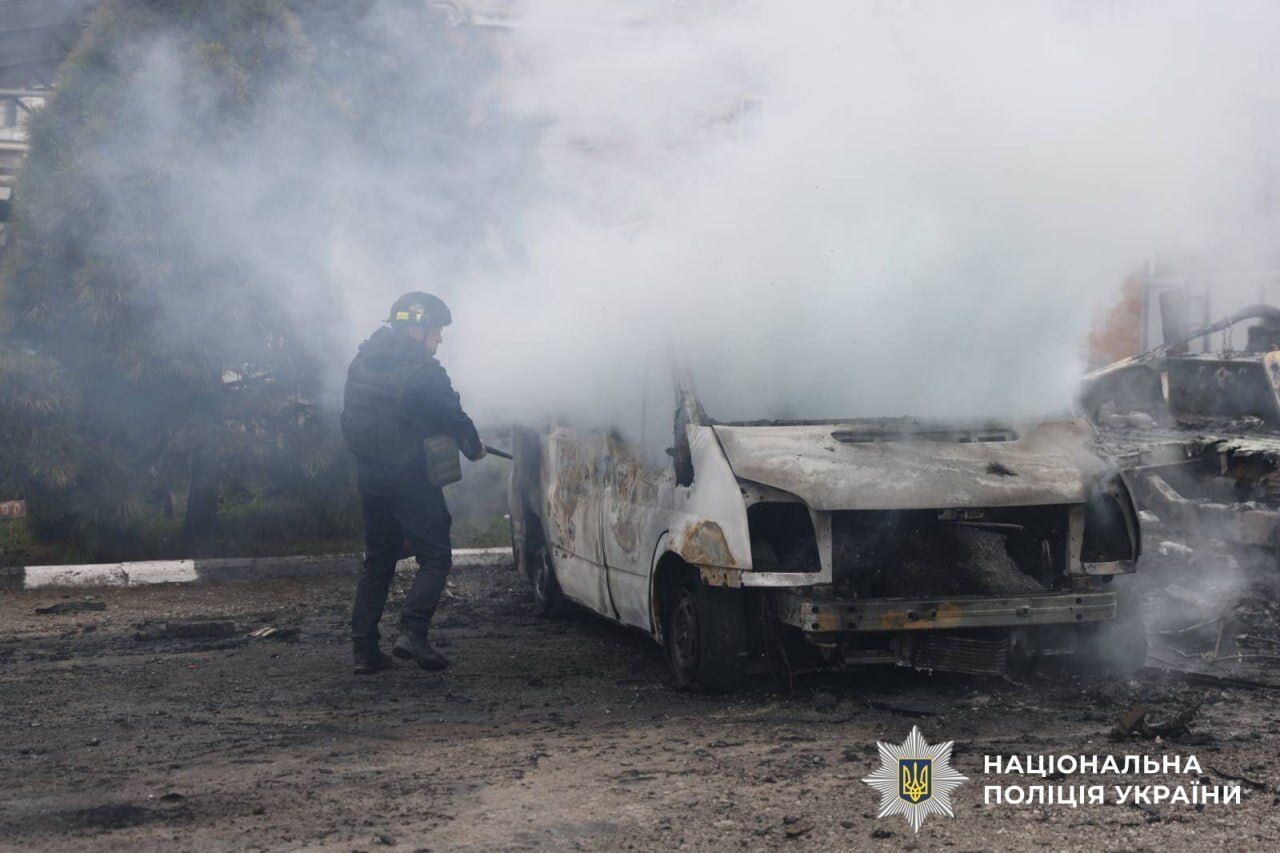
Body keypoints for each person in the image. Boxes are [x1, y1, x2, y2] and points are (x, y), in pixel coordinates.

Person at [340, 292, 485, 674]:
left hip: (371, 479)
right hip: (410, 480)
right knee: (436, 557)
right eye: (437, 331)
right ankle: (413, 632)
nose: (440, 340)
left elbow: (368, 420)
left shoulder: (361, 363)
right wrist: (472, 445)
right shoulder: (425, 371)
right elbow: (452, 416)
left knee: (379, 561)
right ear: (418, 329)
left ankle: (365, 652)